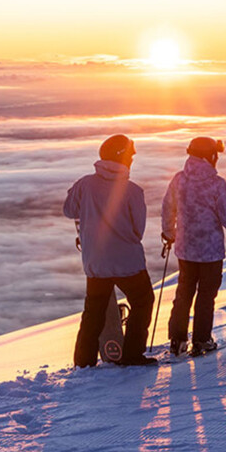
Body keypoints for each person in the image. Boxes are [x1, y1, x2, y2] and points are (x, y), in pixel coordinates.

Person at [64, 134, 157, 367]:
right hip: (128, 262)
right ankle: (132, 355)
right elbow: (138, 231)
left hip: (95, 262)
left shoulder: (84, 184)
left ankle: (83, 362)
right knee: (143, 301)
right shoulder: (133, 191)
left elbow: (68, 210)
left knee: (93, 312)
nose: (133, 160)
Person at [161, 137, 226, 356]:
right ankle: (201, 340)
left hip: (185, 249)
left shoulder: (179, 180)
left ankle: (177, 340)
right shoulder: (216, 183)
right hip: (210, 252)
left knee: (183, 293)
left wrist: (169, 233)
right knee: (205, 296)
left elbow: (168, 208)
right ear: (209, 156)